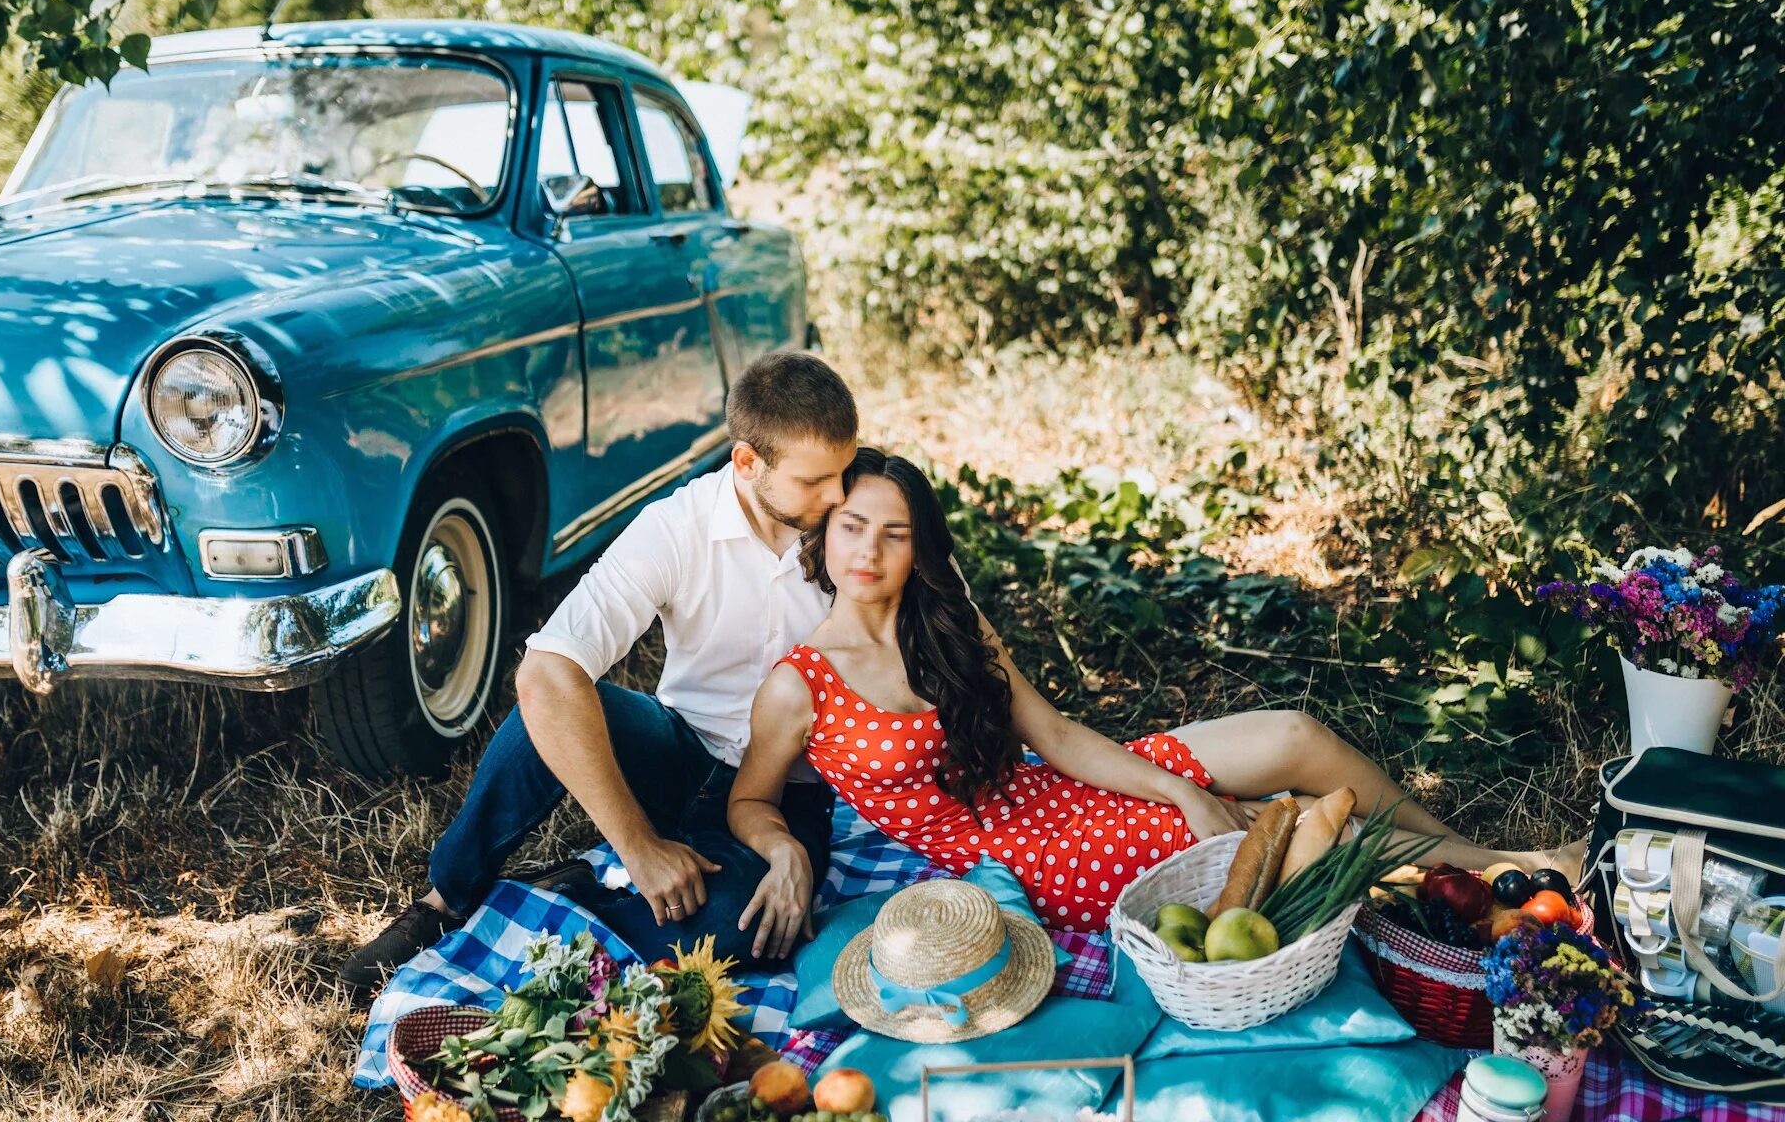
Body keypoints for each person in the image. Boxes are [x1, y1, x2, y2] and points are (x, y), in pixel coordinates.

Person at [727, 447, 1581, 952]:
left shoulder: (953, 632)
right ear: (824, 534)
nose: (868, 550)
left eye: (895, 532)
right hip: (1039, 857)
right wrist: (784, 852)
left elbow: (1056, 736)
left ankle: (1486, 851)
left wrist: (1173, 782)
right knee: (1308, 834)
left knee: (1293, 733)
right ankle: (1529, 873)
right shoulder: (799, 685)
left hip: (1055, 787)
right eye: (851, 527)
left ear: (921, 548)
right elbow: (751, 800)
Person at [340, 351, 861, 994]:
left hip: (787, 793)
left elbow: (942, 631)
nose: (838, 495)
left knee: (739, 934)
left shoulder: (857, 526)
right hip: (678, 749)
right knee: (549, 698)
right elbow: (547, 670)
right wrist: (639, 847)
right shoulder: (677, 526)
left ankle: (572, 898)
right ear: (748, 464)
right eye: (816, 481)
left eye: (843, 472)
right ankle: (444, 901)